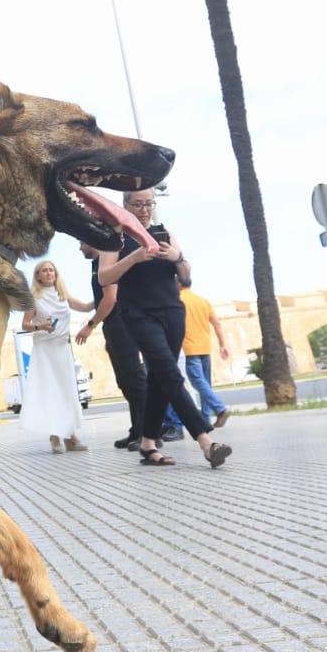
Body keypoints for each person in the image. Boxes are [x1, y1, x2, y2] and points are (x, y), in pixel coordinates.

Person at [96, 190, 231, 469]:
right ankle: (206, 441)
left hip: (172, 311)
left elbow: (186, 277)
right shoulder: (115, 237)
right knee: (170, 373)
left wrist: (177, 257)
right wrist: (132, 259)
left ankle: (147, 444)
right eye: (138, 204)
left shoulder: (163, 231)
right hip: (138, 314)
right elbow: (104, 277)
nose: (144, 209)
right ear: (126, 205)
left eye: (148, 204)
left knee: (159, 377)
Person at [76, 240, 148, 451]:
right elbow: (99, 300)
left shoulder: (106, 264)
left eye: (82, 244)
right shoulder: (96, 265)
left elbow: (110, 299)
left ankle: (148, 433)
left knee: (135, 380)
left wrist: (90, 325)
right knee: (126, 382)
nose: (80, 249)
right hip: (113, 326)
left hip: (122, 324)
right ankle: (137, 431)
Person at [20, 260, 96, 453]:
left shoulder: (63, 295)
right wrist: (40, 326)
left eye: (51, 270)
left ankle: (70, 436)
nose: (49, 273)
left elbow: (87, 307)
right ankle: (54, 436)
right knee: (51, 392)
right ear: (37, 276)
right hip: (44, 349)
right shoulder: (33, 297)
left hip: (62, 349)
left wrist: (104, 292)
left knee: (66, 391)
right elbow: (25, 324)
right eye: (44, 271)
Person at [161, 282, 232, 438]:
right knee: (206, 383)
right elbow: (216, 323)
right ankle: (206, 419)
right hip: (205, 348)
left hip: (189, 349)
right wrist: (222, 345)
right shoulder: (202, 301)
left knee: (197, 382)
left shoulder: (176, 300)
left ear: (178, 284)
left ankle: (220, 408)